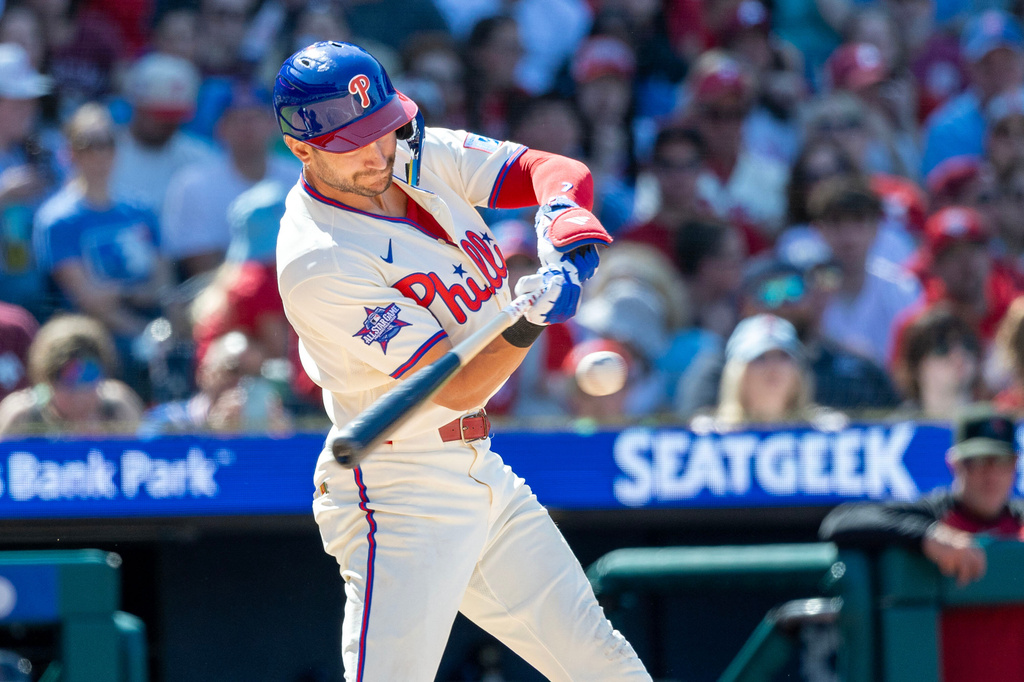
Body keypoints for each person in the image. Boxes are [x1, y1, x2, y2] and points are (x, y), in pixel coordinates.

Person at [272, 42, 650, 681]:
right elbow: (456, 382)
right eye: (352, 143)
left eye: (382, 129)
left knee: (603, 666)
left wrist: (561, 214)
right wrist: (531, 316)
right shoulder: (319, 257)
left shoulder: (412, 151)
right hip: (398, 491)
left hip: (479, 469)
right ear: (302, 149)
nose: (378, 152)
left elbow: (551, 168)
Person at [819, 403, 1024, 680]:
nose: (991, 475)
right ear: (954, 464)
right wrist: (928, 535)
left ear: (1014, 464)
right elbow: (840, 521)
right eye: (977, 462)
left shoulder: (1019, 518)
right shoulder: (936, 514)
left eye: (1000, 462)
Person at [0, 313, 143, 438]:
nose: (81, 395)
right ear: (48, 382)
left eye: (89, 379)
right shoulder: (21, 417)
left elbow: (141, 460)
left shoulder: (118, 408)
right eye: (70, 385)